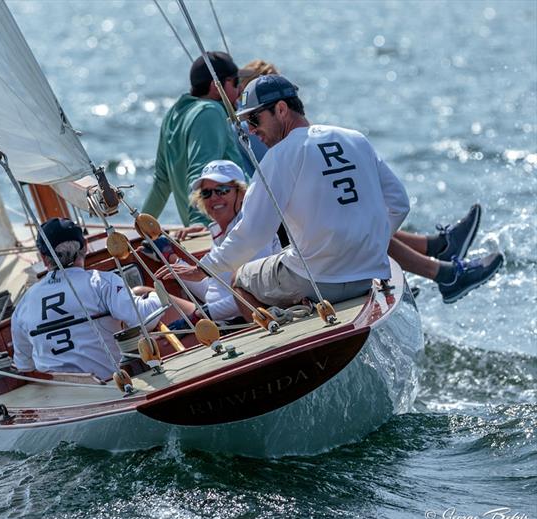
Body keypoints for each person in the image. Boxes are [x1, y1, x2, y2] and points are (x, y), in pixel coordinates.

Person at [233, 62, 503, 304]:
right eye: (250, 118)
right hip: (277, 220)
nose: (252, 128)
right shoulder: (259, 136)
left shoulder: (279, 140)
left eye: (254, 118)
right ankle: (439, 260)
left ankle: (438, 253)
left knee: (354, 214)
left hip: (299, 229)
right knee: (354, 220)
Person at [157, 75, 410, 314]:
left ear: (280, 109)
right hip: (365, 276)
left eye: (254, 119)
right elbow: (399, 205)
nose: (251, 130)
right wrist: (369, 246)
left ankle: (275, 338)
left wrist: (205, 269)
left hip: (315, 280)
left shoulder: (279, 156)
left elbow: (252, 233)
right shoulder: (356, 139)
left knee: (239, 279)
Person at [11, 218, 193, 380]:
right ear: (83, 249)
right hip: (111, 386)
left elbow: (24, 367)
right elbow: (144, 319)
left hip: (63, 398)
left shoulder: (24, 305)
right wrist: (154, 293)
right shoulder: (100, 282)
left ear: (44, 257)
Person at [141, 51, 245, 226]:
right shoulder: (210, 113)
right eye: (236, 82)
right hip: (224, 232)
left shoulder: (173, 114)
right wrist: (199, 225)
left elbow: (161, 183)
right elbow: (201, 173)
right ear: (215, 86)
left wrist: (142, 227)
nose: (240, 89)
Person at [173, 160, 279, 324]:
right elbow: (213, 288)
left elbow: (257, 293)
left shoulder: (252, 230)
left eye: (222, 190)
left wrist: (202, 314)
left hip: (243, 322)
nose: (214, 198)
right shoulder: (219, 231)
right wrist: (170, 256)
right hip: (219, 319)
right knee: (147, 294)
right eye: (206, 193)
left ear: (242, 193)